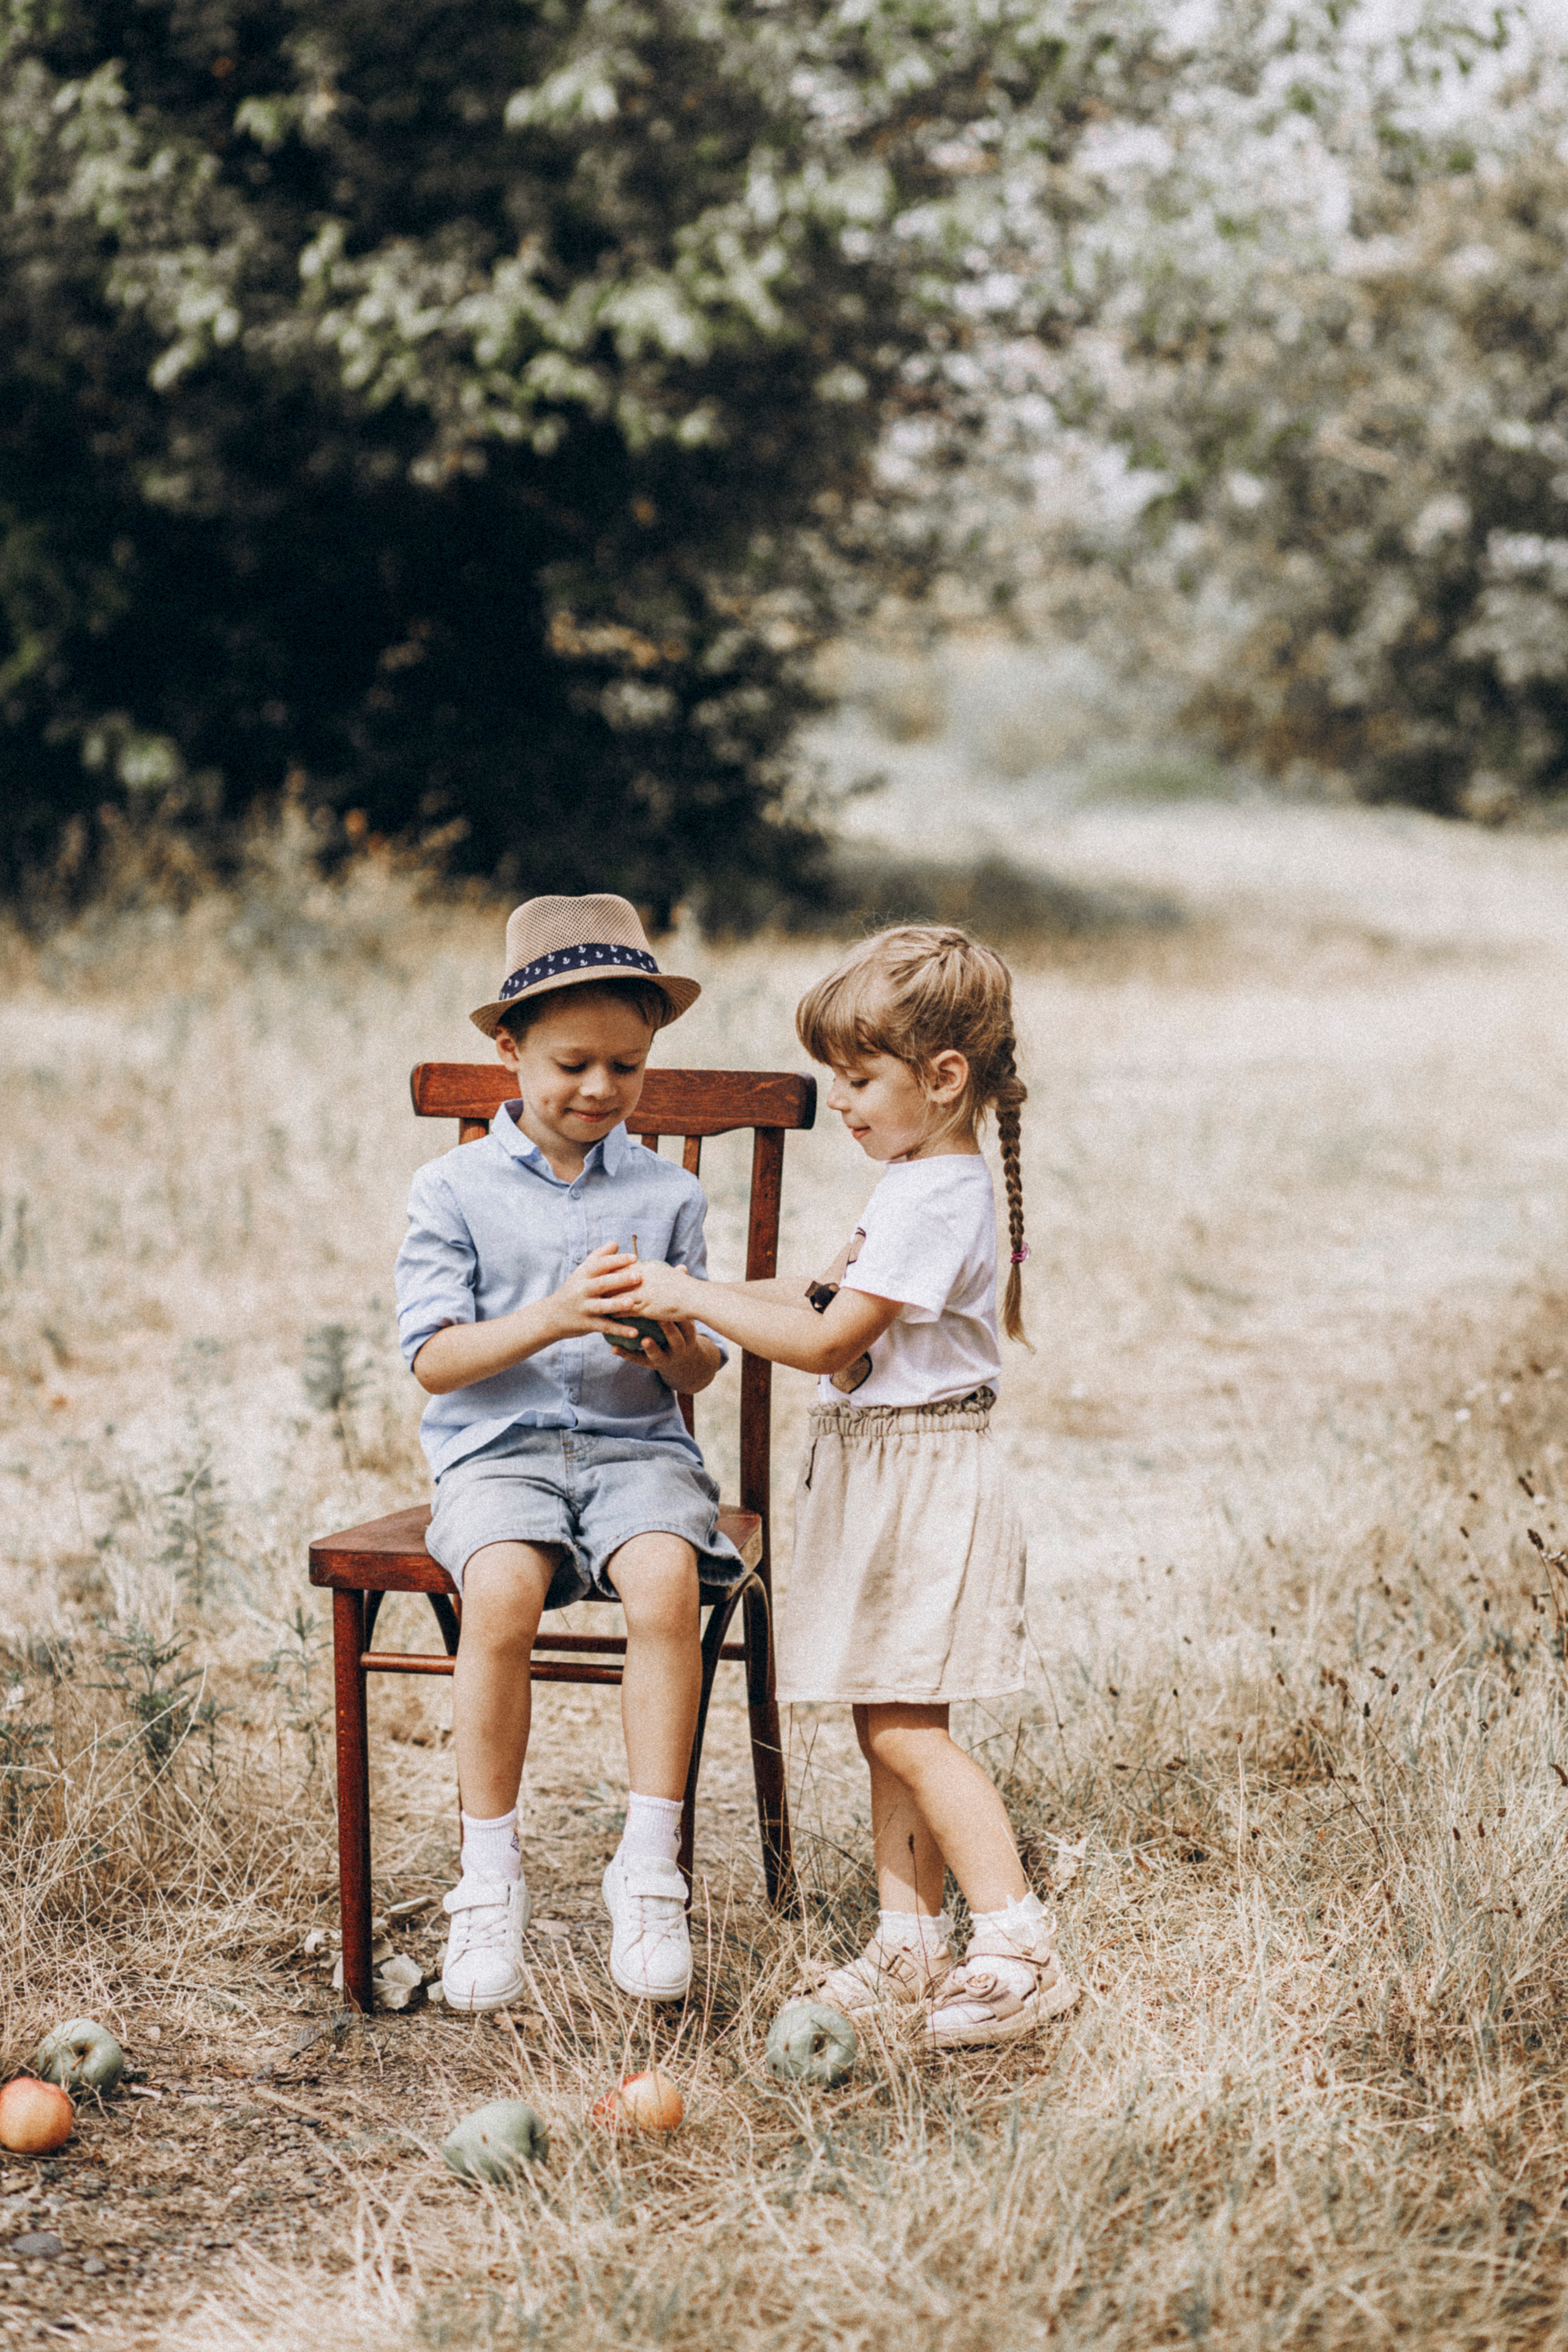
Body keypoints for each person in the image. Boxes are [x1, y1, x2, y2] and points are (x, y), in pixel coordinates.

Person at [625, 924, 1076, 2051]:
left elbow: (830, 1342)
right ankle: (907, 1939)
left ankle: (1019, 1944)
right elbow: (823, 1289)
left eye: (860, 1078)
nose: (842, 1101)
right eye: (835, 1075)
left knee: (914, 1730)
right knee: (887, 1718)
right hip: (888, 1469)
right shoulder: (917, 1178)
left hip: (919, 1474)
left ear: (944, 1077)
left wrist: (693, 1289)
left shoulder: (936, 1195)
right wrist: (705, 1290)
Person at [395, 894, 741, 2011]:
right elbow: (437, 1362)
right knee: (498, 1590)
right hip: (499, 1453)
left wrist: (677, 1347)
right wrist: (554, 1314)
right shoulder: (450, 1191)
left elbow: (695, 1381)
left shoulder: (669, 1193)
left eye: (627, 1068)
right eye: (573, 1064)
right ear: (509, 1050)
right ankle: (487, 1876)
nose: (601, 1090)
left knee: (664, 1580)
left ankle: (649, 1869)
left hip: (638, 1448)